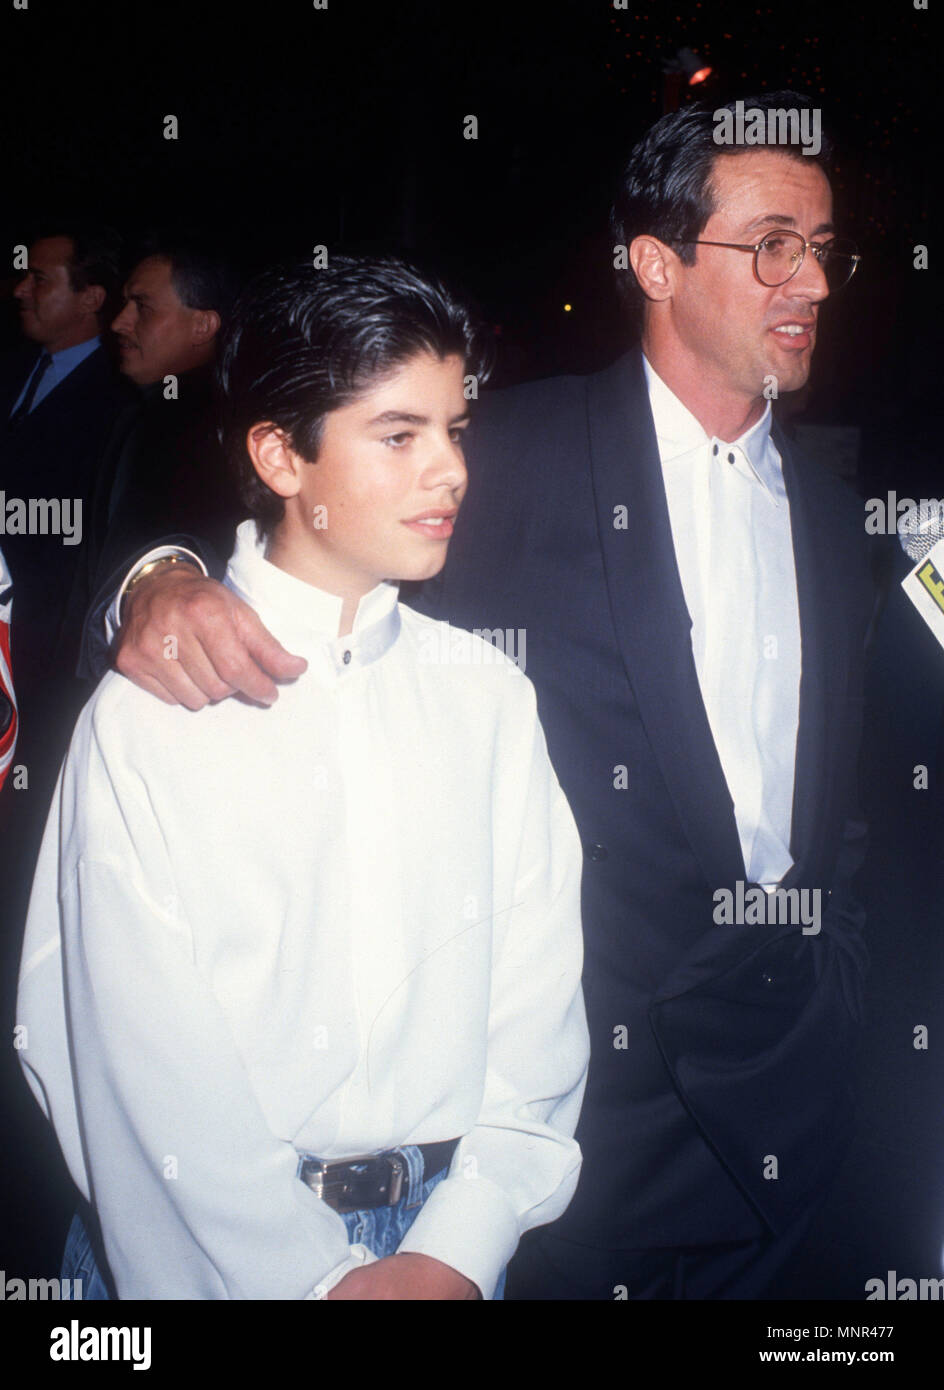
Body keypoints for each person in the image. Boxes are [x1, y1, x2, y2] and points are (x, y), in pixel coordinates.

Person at [80, 91, 875, 1299]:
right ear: (655, 261)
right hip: (579, 1148)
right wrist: (154, 582)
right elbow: (302, 513)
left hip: (797, 1115)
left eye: (821, 250)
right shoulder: (499, 450)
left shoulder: (839, 501)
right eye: (771, 243)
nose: (809, 280)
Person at [16, 255, 589, 1301]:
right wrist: (313, 1280)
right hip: (193, 1262)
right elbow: (128, 1059)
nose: (451, 470)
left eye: (453, 430)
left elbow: (539, 1010)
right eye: (398, 434)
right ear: (281, 456)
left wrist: (457, 1243)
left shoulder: (488, 696)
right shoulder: (152, 709)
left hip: (446, 1245)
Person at [79, 237, 243, 671]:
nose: (118, 322)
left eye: (143, 307)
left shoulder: (211, 428)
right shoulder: (153, 409)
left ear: (202, 326)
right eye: (125, 303)